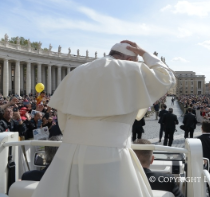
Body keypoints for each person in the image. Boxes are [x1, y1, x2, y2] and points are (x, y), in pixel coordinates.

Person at [31, 40, 175, 197]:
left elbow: (63, 119)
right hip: (112, 157)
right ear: (129, 60)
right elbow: (166, 77)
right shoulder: (130, 68)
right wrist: (144, 53)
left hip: (68, 154)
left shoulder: (78, 71)